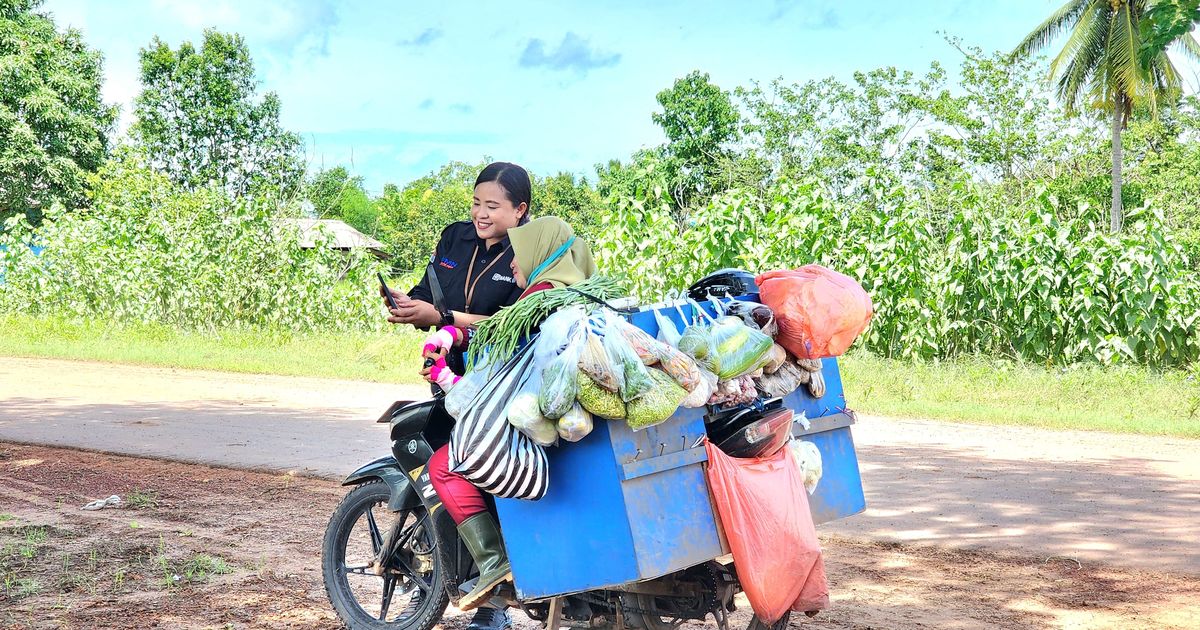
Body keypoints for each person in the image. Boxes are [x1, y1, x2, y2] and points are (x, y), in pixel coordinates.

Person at [421, 217, 596, 610]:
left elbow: (499, 361)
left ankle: (493, 562)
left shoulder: (541, 296)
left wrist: (448, 377)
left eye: (517, 255)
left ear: (540, 255)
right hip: (554, 417)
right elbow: (500, 329)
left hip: (523, 419)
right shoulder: (574, 292)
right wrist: (456, 332)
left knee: (445, 466)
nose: (511, 264)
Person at [383, 162, 532, 378]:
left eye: (492, 207)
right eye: (476, 203)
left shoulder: (529, 252)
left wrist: (442, 317)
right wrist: (408, 304)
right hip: (445, 369)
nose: (480, 214)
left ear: (520, 209)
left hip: (499, 374)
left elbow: (511, 325)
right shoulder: (455, 236)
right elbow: (428, 291)